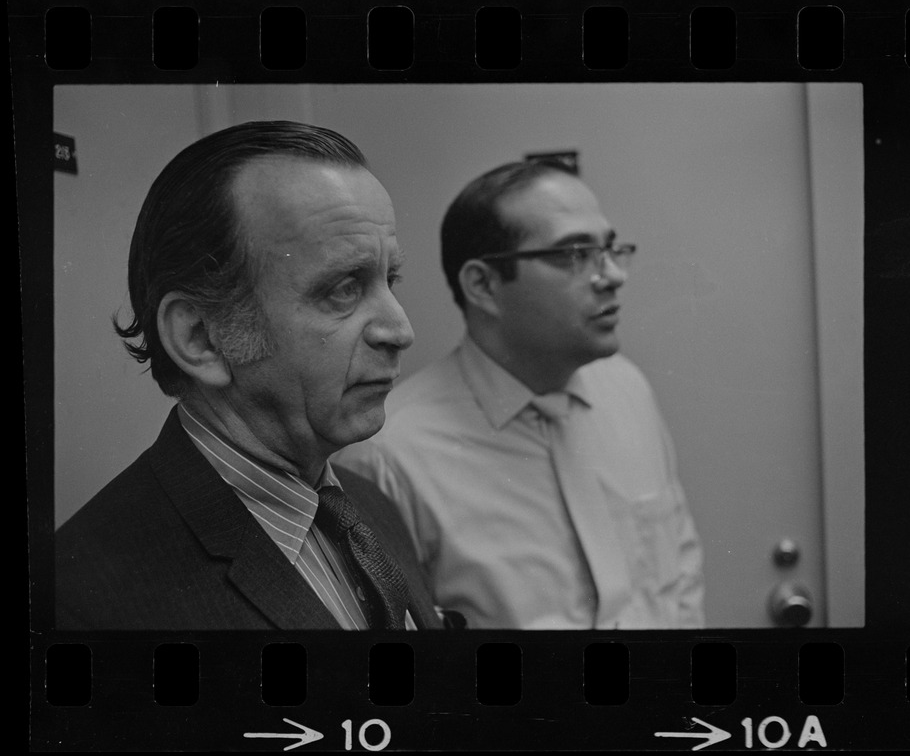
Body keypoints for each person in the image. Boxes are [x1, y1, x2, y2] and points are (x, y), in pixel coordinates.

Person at [55, 121, 445, 630]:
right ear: (201, 338)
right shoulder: (80, 601)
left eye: (388, 279)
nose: (400, 329)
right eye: (343, 289)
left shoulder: (369, 504)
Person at [336, 159, 705, 629]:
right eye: (575, 253)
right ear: (484, 285)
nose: (613, 275)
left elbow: (681, 564)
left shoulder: (626, 388)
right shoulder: (388, 457)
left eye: (610, 249)